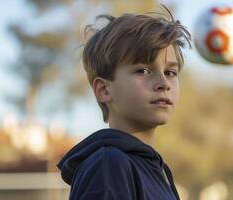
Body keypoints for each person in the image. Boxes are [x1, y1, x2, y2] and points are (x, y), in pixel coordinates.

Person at [57, 5, 191, 200]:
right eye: (143, 70)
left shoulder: (158, 170)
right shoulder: (108, 166)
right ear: (104, 90)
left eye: (170, 72)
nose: (163, 83)